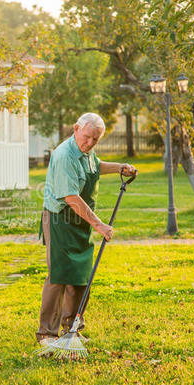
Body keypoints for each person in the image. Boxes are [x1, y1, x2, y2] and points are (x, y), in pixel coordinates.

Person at [36, 112, 137, 345]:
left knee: (80, 275)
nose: (90, 143)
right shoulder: (64, 156)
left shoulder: (86, 152)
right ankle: (46, 333)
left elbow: (95, 167)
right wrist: (99, 224)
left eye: (96, 140)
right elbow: (71, 197)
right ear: (76, 128)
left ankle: (72, 327)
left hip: (81, 220)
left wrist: (119, 167)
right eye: (88, 137)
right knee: (60, 275)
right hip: (60, 219)